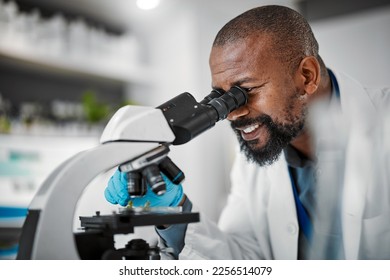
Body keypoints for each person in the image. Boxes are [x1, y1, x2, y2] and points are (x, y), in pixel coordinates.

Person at [104, 5, 390, 259]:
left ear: (307, 76)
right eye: (221, 96)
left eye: (246, 90)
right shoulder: (257, 152)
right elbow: (242, 257)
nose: (233, 112)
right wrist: (174, 211)